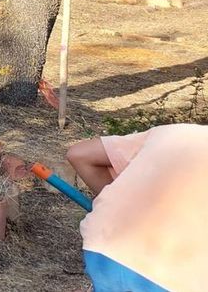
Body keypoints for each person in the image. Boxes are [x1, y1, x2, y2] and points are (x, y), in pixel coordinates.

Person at [66, 124, 208, 292]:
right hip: (175, 275)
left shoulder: (178, 132)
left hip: (105, 248)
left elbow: (79, 155)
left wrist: (124, 205)